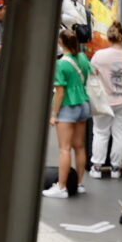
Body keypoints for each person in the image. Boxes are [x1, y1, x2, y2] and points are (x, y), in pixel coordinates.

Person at [44, 29, 92, 199]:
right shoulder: (83, 58)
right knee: (79, 146)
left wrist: (54, 114)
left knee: (64, 148)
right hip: (83, 104)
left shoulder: (61, 63)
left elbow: (60, 92)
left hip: (67, 107)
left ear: (60, 42)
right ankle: (79, 184)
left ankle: (62, 187)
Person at [89, 21, 122, 179]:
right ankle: (116, 168)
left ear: (108, 37)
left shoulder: (99, 56)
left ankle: (96, 168)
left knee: (100, 133)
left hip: (104, 100)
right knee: (120, 134)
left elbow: (93, 74)